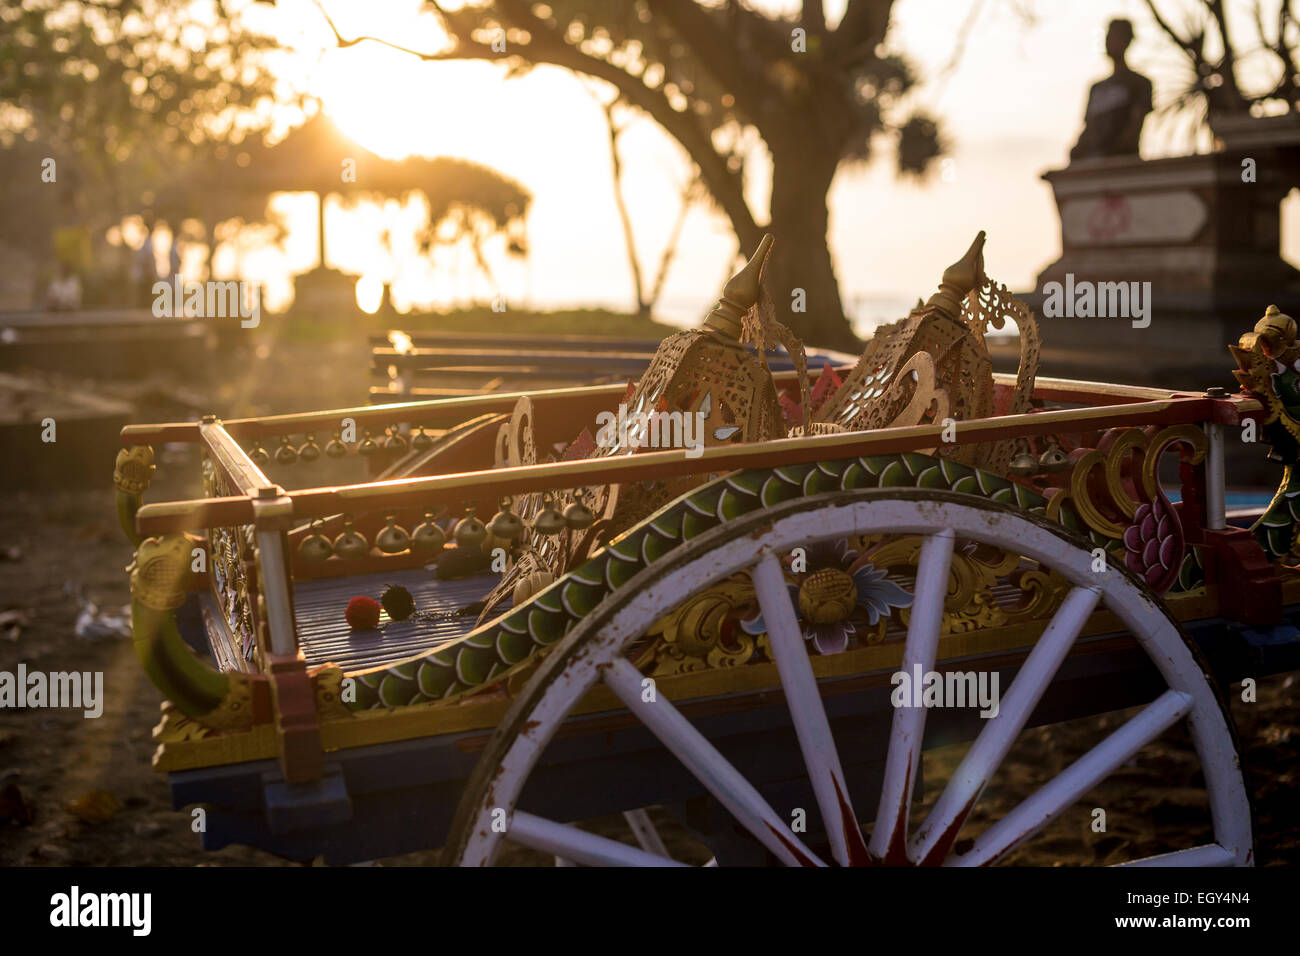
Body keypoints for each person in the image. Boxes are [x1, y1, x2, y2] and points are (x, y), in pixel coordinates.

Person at [1070, 19, 1153, 161]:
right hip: (1090, 164)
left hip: (1121, 165)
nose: (1108, 41)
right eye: (1107, 36)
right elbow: (1088, 129)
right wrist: (1076, 152)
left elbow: (1135, 126)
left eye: (1114, 36)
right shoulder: (1096, 88)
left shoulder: (1139, 83)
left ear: (1127, 41)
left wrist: (1114, 154)